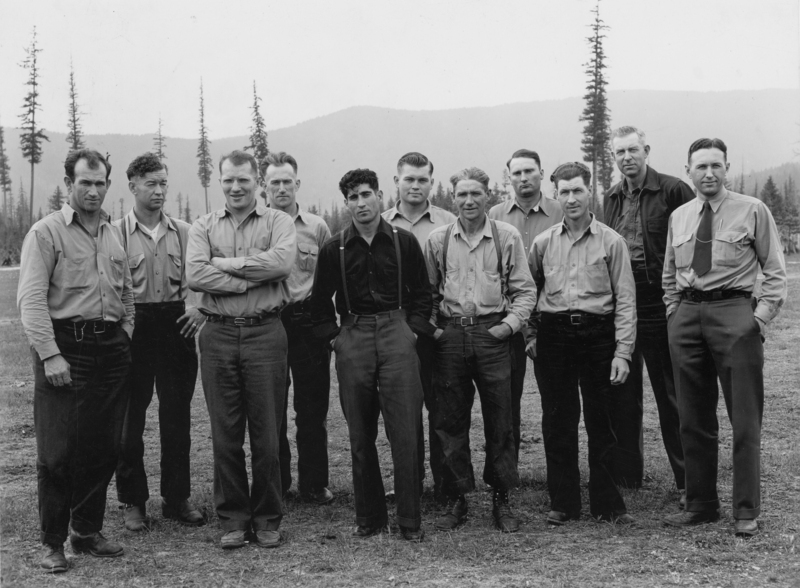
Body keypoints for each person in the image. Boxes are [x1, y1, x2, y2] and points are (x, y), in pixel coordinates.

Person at [662, 138, 787, 537]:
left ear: (727, 167)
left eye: (716, 165)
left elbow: (775, 272)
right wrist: (674, 314)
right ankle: (700, 505)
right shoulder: (680, 216)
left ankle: (746, 510)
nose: (709, 173)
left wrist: (758, 320)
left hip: (735, 314)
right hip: (688, 316)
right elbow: (669, 274)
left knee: (744, 419)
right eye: (701, 167)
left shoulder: (753, 210)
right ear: (689, 172)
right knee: (692, 418)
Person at [18, 149, 134, 573]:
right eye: (84, 182)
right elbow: (31, 300)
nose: (93, 189)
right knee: (57, 453)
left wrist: (127, 334)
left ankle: (86, 531)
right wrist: (50, 355)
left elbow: (127, 292)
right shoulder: (46, 233)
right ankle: (52, 542)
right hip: (65, 348)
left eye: (100, 182)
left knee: (104, 447)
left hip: (111, 349)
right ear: (69, 184)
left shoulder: (112, 232)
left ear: (108, 184)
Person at [310, 168, 433, 542]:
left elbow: (423, 295)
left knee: (406, 430)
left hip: (397, 333)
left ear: (380, 195)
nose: (361, 203)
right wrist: (337, 339)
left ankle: (409, 520)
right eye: (352, 198)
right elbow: (318, 306)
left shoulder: (403, 241)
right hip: (354, 336)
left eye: (366, 195)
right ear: (346, 203)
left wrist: (411, 331)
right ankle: (370, 518)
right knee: (360, 432)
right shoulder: (334, 248)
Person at [186, 150, 296, 549]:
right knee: (225, 432)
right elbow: (195, 273)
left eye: (244, 181)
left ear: (257, 183)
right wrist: (249, 277)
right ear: (220, 181)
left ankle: (268, 517)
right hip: (216, 335)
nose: (236, 187)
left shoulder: (278, 221)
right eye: (228, 180)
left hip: (265, 333)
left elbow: (282, 264)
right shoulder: (203, 225)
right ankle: (233, 517)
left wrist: (225, 264)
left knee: (267, 431)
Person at [425, 167, 536, 533]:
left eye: (476, 194)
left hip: (494, 336)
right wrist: (436, 332)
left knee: (501, 420)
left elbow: (525, 290)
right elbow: (425, 295)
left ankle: (502, 499)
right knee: (449, 422)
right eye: (462, 195)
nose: (469, 201)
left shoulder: (506, 236)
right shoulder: (438, 240)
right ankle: (456, 499)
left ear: (487, 195)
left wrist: (509, 325)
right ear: (452, 198)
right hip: (451, 337)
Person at [528, 161, 636, 526]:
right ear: (555, 194)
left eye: (578, 190)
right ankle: (563, 502)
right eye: (564, 191)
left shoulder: (611, 242)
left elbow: (626, 301)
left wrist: (623, 352)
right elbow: (528, 292)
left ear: (590, 191)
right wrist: (531, 336)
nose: (571, 198)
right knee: (558, 420)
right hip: (554, 335)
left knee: (601, 420)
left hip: (598, 335)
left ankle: (606, 502)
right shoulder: (542, 244)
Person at [114, 153, 205, 531]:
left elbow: (200, 278)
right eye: (151, 183)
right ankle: (133, 500)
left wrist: (198, 307)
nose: (159, 190)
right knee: (129, 421)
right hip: (134, 328)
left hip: (176, 326)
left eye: (164, 182)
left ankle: (177, 497)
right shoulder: (114, 233)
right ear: (132, 185)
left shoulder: (185, 231)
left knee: (177, 418)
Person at [603, 126, 694, 495]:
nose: (627, 158)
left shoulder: (673, 190)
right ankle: (628, 477)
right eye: (619, 152)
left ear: (646, 151)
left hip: (661, 304)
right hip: (623, 305)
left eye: (633, 150)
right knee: (622, 395)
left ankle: (689, 480)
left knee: (672, 396)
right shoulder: (610, 197)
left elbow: (691, 241)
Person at [382, 151, 456, 503]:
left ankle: (445, 484)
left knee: (441, 408)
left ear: (431, 181)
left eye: (422, 179)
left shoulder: (449, 223)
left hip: (436, 331)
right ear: (396, 181)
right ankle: (409, 481)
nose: (415, 185)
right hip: (396, 335)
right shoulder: (379, 224)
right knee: (403, 413)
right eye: (408, 179)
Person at [264, 151, 334, 505]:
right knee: (270, 408)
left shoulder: (317, 227)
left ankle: (314, 483)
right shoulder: (257, 226)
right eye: (274, 182)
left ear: (297, 184)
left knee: (312, 407)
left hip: (307, 324)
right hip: (269, 323)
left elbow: (327, 279)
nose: (281, 188)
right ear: (265, 186)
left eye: (286, 181)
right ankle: (278, 482)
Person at [488, 149, 563, 457]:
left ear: (541, 174)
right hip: (511, 320)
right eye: (516, 173)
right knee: (507, 397)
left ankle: (558, 472)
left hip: (552, 317)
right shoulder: (494, 215)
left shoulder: (561, 210)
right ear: (509, 178)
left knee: (557, 399)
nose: (523, 178)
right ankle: (509, 469)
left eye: (529, 171)